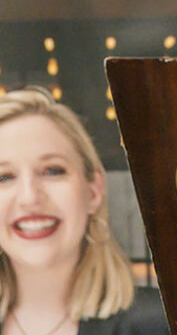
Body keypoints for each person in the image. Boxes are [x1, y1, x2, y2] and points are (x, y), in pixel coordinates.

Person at [0, 88, 168, 335]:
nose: (30, 197)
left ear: (93, 191)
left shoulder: (163, 325)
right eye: (4, 176)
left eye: (52, 170)